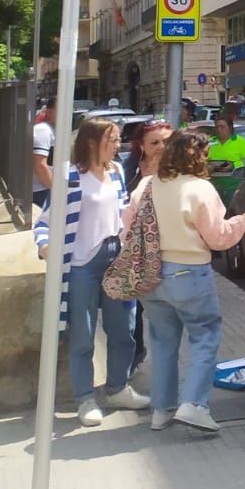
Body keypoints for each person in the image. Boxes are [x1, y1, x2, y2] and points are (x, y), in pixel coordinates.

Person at [142, 130, 245, 433]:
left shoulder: (149, 185)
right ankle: (194, 405)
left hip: (151, 273)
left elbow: (128, 225)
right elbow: (218, 238)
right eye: (204, 154)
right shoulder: (201, 189)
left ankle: (161, 410)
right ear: (196, 156)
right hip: (189, 272)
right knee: (204, 337)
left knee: (162, 342)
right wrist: (244, 219)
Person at [33, 116, 149, 427]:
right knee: (83, 335)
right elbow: (44, 223)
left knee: (123, 329)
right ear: (91, 143)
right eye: (112, 140)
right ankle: (85, 398)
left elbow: (124, 213)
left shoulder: (117, 172)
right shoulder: (70, 177)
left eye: (117, 139)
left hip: (116, 259)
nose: (117, 146)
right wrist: (45, 246)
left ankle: (117, 387)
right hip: (82, 265)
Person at [121, 119, 170, 368]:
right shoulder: (128, 169)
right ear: (141, 145)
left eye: (167, 141)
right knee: (135, 308)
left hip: (171, 250)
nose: (162, 146)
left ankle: (165, 360)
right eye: (155, 142)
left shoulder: (181, 169)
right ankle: (136, 352)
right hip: (137, 249)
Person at [31, 101, 56, 212]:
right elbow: (40, 165)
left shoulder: (52, 129)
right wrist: (55, 189)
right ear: (48, 111)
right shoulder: (43, 130)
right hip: (42, 191)